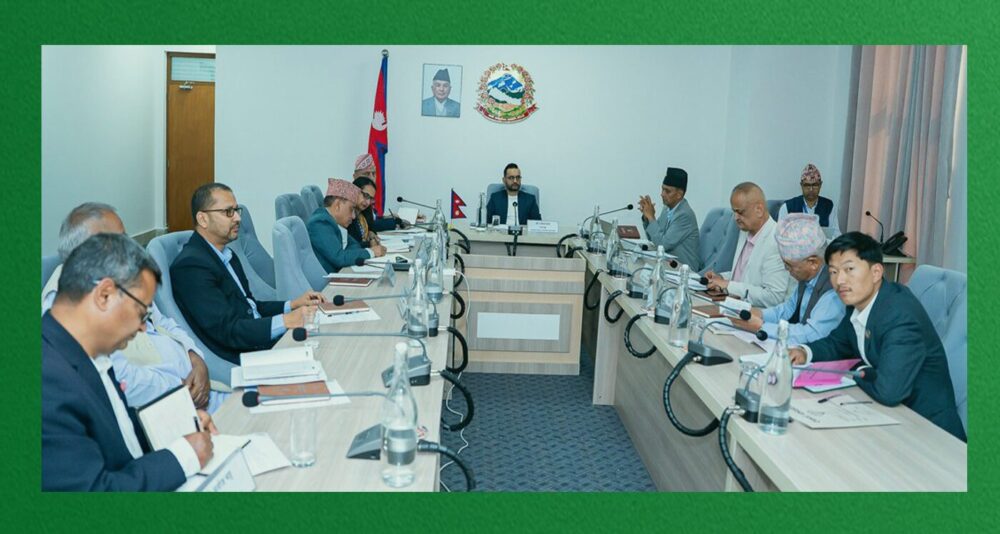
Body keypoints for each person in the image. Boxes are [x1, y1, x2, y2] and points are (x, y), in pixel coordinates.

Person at [43, 233, 217, 491]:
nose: (144, 328)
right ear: (104, 295)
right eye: (141, 313)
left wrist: (179, 425)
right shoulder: (47, 380)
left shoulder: (93, 354)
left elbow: (119, 436)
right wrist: (184, 456)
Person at [42, 203, 225, 412]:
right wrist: (181, 387)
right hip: (170, 403)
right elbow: (122, 380)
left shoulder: (125, 281)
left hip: (196, 386)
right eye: (119, 241)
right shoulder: (70, 308)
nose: (130, 247)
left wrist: (195, 358)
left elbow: (165, 323)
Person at [788, 232, 966, 441]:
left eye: (849, 269)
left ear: (876, 272)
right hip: (890, 417)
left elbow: (889, 391)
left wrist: (857, 368)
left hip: (930, 432)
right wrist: (804, 352)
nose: (839, 280)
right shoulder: (860, 302)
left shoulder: (900, 314)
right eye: (834, 272)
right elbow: (838, 343)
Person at [171, 183, 324, 365]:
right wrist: (286, 321)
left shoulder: (227, 255)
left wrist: (293, 304)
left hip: (259, 343)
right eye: (228, 212)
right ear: (203, 219)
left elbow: (250, 307)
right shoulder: (191, 266)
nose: (237, 218)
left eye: (237, 211)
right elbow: (228, 331)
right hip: (243, 358)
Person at [729, 213, 845, 345]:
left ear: (813, 263)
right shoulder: (808, 277)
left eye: (789, 265)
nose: (786, 269)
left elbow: (811, 334)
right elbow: (787, 310)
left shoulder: (834, 290)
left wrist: (761, 326)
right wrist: (757, 313)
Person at [704, 182, 792, 308]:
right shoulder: (745, 230)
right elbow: (746, 276)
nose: (736, 217)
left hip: (755, 314)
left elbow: (773, 297)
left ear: (759, 210)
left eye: (740, 212)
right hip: (731, 305)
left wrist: (728, 285)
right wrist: (721, 278)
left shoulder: (776, 241)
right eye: (734, 212)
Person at [308, 178, 387, 273]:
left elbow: (355, 245)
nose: (353, 216)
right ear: (337, 205)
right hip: (329, 280)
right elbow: (339, 258)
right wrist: (371, 252)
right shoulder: (320, 222)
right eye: (351, 209)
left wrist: (348, 254)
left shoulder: (334, 222)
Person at [638, 167, 701, 271]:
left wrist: (651, 217)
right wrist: (647, 217)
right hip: (668, 264)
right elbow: (654, 238)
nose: (662, 194)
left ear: (679, 194)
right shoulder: (667, 208)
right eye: (662, 189)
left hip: (684, 270)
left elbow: (662, 245)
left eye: (667, 191)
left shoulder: (684, 215)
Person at [778, 163, 841, 237]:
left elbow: (836, 236)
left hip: (822, 244)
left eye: (815, 185)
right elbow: (779, 236)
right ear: (801, 185)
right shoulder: (787, 207)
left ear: (820, 185)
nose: (811, 189)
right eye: (807, 185)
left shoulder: (828, 206)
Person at [348, 176, 404, 247]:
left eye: (371, 198)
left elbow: (372, 225)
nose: (368, 202)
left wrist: (371, 232)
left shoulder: (364, 213)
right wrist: (370, 243)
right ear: (355, 191)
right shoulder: (347, 215)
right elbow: (351, 245)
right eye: (366, 195)